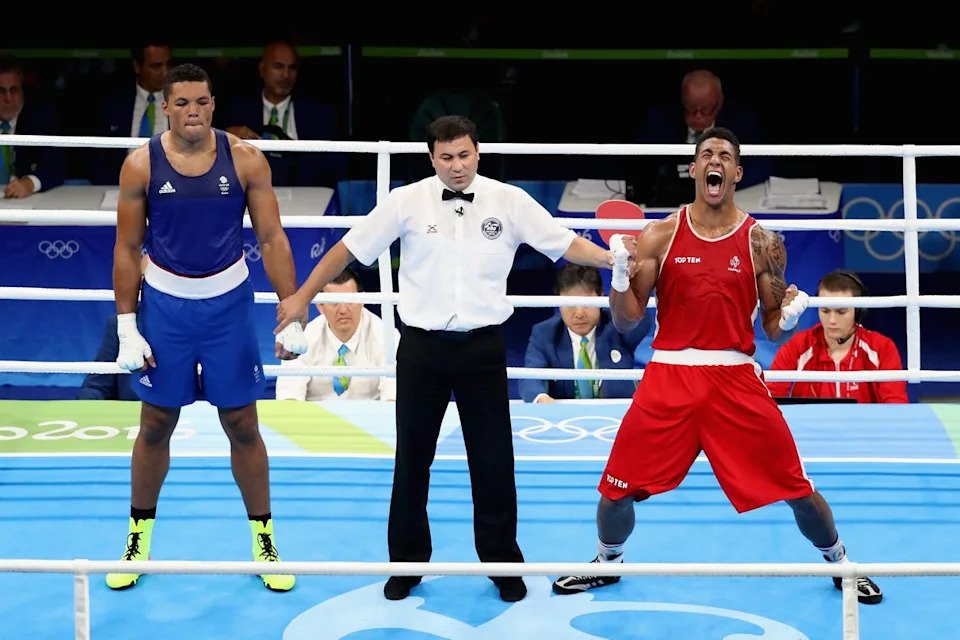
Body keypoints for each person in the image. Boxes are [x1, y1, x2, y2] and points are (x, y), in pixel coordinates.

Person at [274, 115, 616, 603]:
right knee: (412, 458)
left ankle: (502, 564)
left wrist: (615, 259)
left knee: (494, 459)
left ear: (478, 151)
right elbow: (347, 247)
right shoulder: (405, 201)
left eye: (465, 155)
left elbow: (564, 243)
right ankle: (407, 564)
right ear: (432, 158)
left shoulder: (509, 200)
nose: (457, 167)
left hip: (482, 346)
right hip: (421, 347)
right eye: (447, 157)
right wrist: (303, 295)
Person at [552, 127, 882, 605]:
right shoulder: (659, 235)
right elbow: (626, 320)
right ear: (695, 169)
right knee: (615, 488)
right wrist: (620, 278)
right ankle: (607, 561)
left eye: (725, 156)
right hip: (668, 376)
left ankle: (843, 563)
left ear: (736, 172)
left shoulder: (762, 242)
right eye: (707, 153)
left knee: (795, 486)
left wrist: (786, 315)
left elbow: (771, 327)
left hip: (735, 379)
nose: (715, 161)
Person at [106, 63, 308, 593]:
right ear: (166, 107)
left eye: (202, 102)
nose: (193, 111)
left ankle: (265, 540)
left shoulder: (246, 160)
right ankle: (137, 538)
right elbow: (127, 248)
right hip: (167, 308)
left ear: (213, 105)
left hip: (228, 309)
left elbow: (272, 238)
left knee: (243, 423)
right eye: (183, 103)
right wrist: (127, 324)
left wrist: (291, 311)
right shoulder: (139, 166)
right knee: (155, 423)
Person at [628, 69, 770, 208]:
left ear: (719, 103)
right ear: (682, 101)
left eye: (706, 109)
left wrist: (723, 183)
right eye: (691, 108)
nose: (698, 115)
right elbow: (638, 163)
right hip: (667, 205)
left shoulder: (742, 122)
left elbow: (762, 164)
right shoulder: (659, 120)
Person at [767, 269, 908, 403]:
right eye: (825, 311)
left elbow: (896, 405)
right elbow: (771, 398)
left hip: (867, 428)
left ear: (857, 312)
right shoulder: (797, 345)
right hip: (810, 428)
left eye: (841, 312)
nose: (832, 320)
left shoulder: (882, 348)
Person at [219, 40, 345, 187]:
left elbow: (334, 164)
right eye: (278, 67)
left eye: (292, 68)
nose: (286, 75)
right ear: (262, 69)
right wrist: (226, 136)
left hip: (306, 195)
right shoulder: (237, 110)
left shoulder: (319, 114)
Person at [520, 263, 651, 403]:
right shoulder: (544, 332)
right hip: (565, 419)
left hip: (616, 416)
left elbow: (640, 319)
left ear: (601, 296)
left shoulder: (618, 325)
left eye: (587, 303)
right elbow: (530, 376)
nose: (579, 313)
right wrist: (541, 398)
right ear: (558, 300)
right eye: (570, 304)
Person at [276, 266, 399, 401]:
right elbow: (289, 398)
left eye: (350, 301)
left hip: (371, 418)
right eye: (334, 303)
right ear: (320, 306)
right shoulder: (304, 337)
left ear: (362, 300)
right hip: (315, 418)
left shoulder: (386, 335)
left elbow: (392, 399)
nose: (343, 310)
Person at [90, 39, 172, 185]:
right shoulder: (112, 103)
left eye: (168, 64)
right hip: (119, 190)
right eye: (156, 66)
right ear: (137, 66)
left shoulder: (185, 102)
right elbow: (98, 159)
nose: (165, 73)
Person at [0, 57, 66, 197]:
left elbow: (56, 166)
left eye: (14, 90)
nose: (8, 98)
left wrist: (29, 183)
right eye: (1, 91)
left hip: (27, 203)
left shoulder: (41, 116)